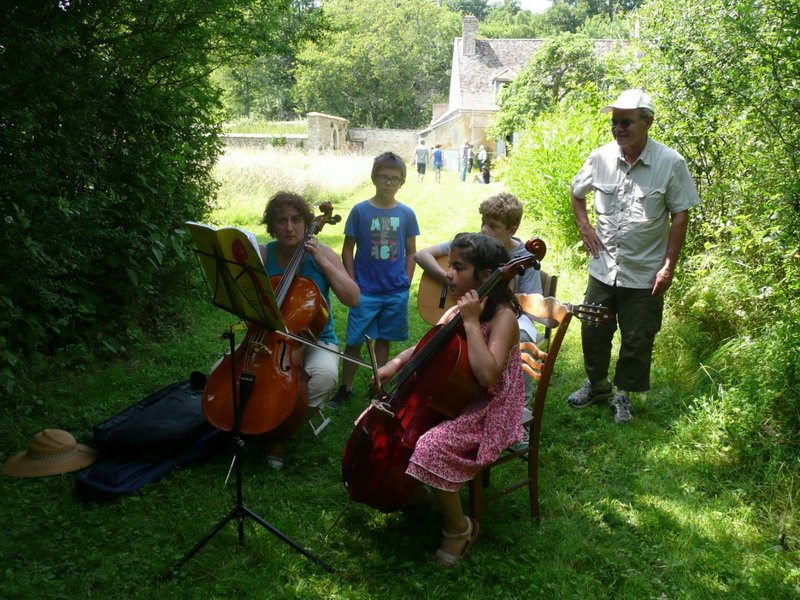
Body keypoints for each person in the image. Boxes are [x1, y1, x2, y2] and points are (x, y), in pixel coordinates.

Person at [376, 233, 525, 567]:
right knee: (398, 425)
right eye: (450, 265)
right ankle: (418, 491)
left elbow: (487, 375)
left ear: (486, 276)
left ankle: (459, 528)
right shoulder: (459, 308)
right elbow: (427, 345)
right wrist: (395, 364)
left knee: (431, 445)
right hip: (458, 397)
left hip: (490, 408)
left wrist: (471, 321)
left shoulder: (503, 319)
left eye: (458, 268)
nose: (449, 274)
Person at [567, 89, 700, 424]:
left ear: (647, 122)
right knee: (593, 330)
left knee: (638, 336)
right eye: (614, 122)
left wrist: (668, 266)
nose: (618, 128)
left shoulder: (671, 163)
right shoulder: (599, 159)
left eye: (626, 121)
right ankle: (597, 384)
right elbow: (576, 192)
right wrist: (584, 227)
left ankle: (622, 395)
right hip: (603, 267)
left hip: (644, 271)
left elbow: (681, 214)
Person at [414, 193, 542, 424]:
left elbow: (532, 303)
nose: (484, 230)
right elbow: (421, 254)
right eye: (483, 222)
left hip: (510, 314)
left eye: (493, 226)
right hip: (476, 309)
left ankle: (519, 407)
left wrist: (500, 293)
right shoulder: (474, 246)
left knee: (521, 335)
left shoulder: (525, 258)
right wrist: (450, 279)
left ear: (511, 229)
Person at [257, 191, 361, 469]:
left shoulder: (321, 253)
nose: (290, 228)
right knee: (229, 373)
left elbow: (353, 297)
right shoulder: (265, 254)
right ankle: (254, 420)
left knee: (324, 378)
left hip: (316, 339)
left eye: (296, 220)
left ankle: (279, 432)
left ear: (306, 223)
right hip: (268, 338)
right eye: (281, 221)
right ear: (272, 225)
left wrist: (323, 261)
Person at [328, 152, 420, 409]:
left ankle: (377, 385)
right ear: (374, 178)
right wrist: (351, 280)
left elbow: (411, 250)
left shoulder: (406, 213)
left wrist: (407, 280)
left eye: (394, 178)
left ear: (401, 182)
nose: (388, 182)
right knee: (355, 340)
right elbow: (348, 249)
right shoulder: (360, 211)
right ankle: (345, 388)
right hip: (365, 290)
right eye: (383, 177)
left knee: (384, 338)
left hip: (395, 290)